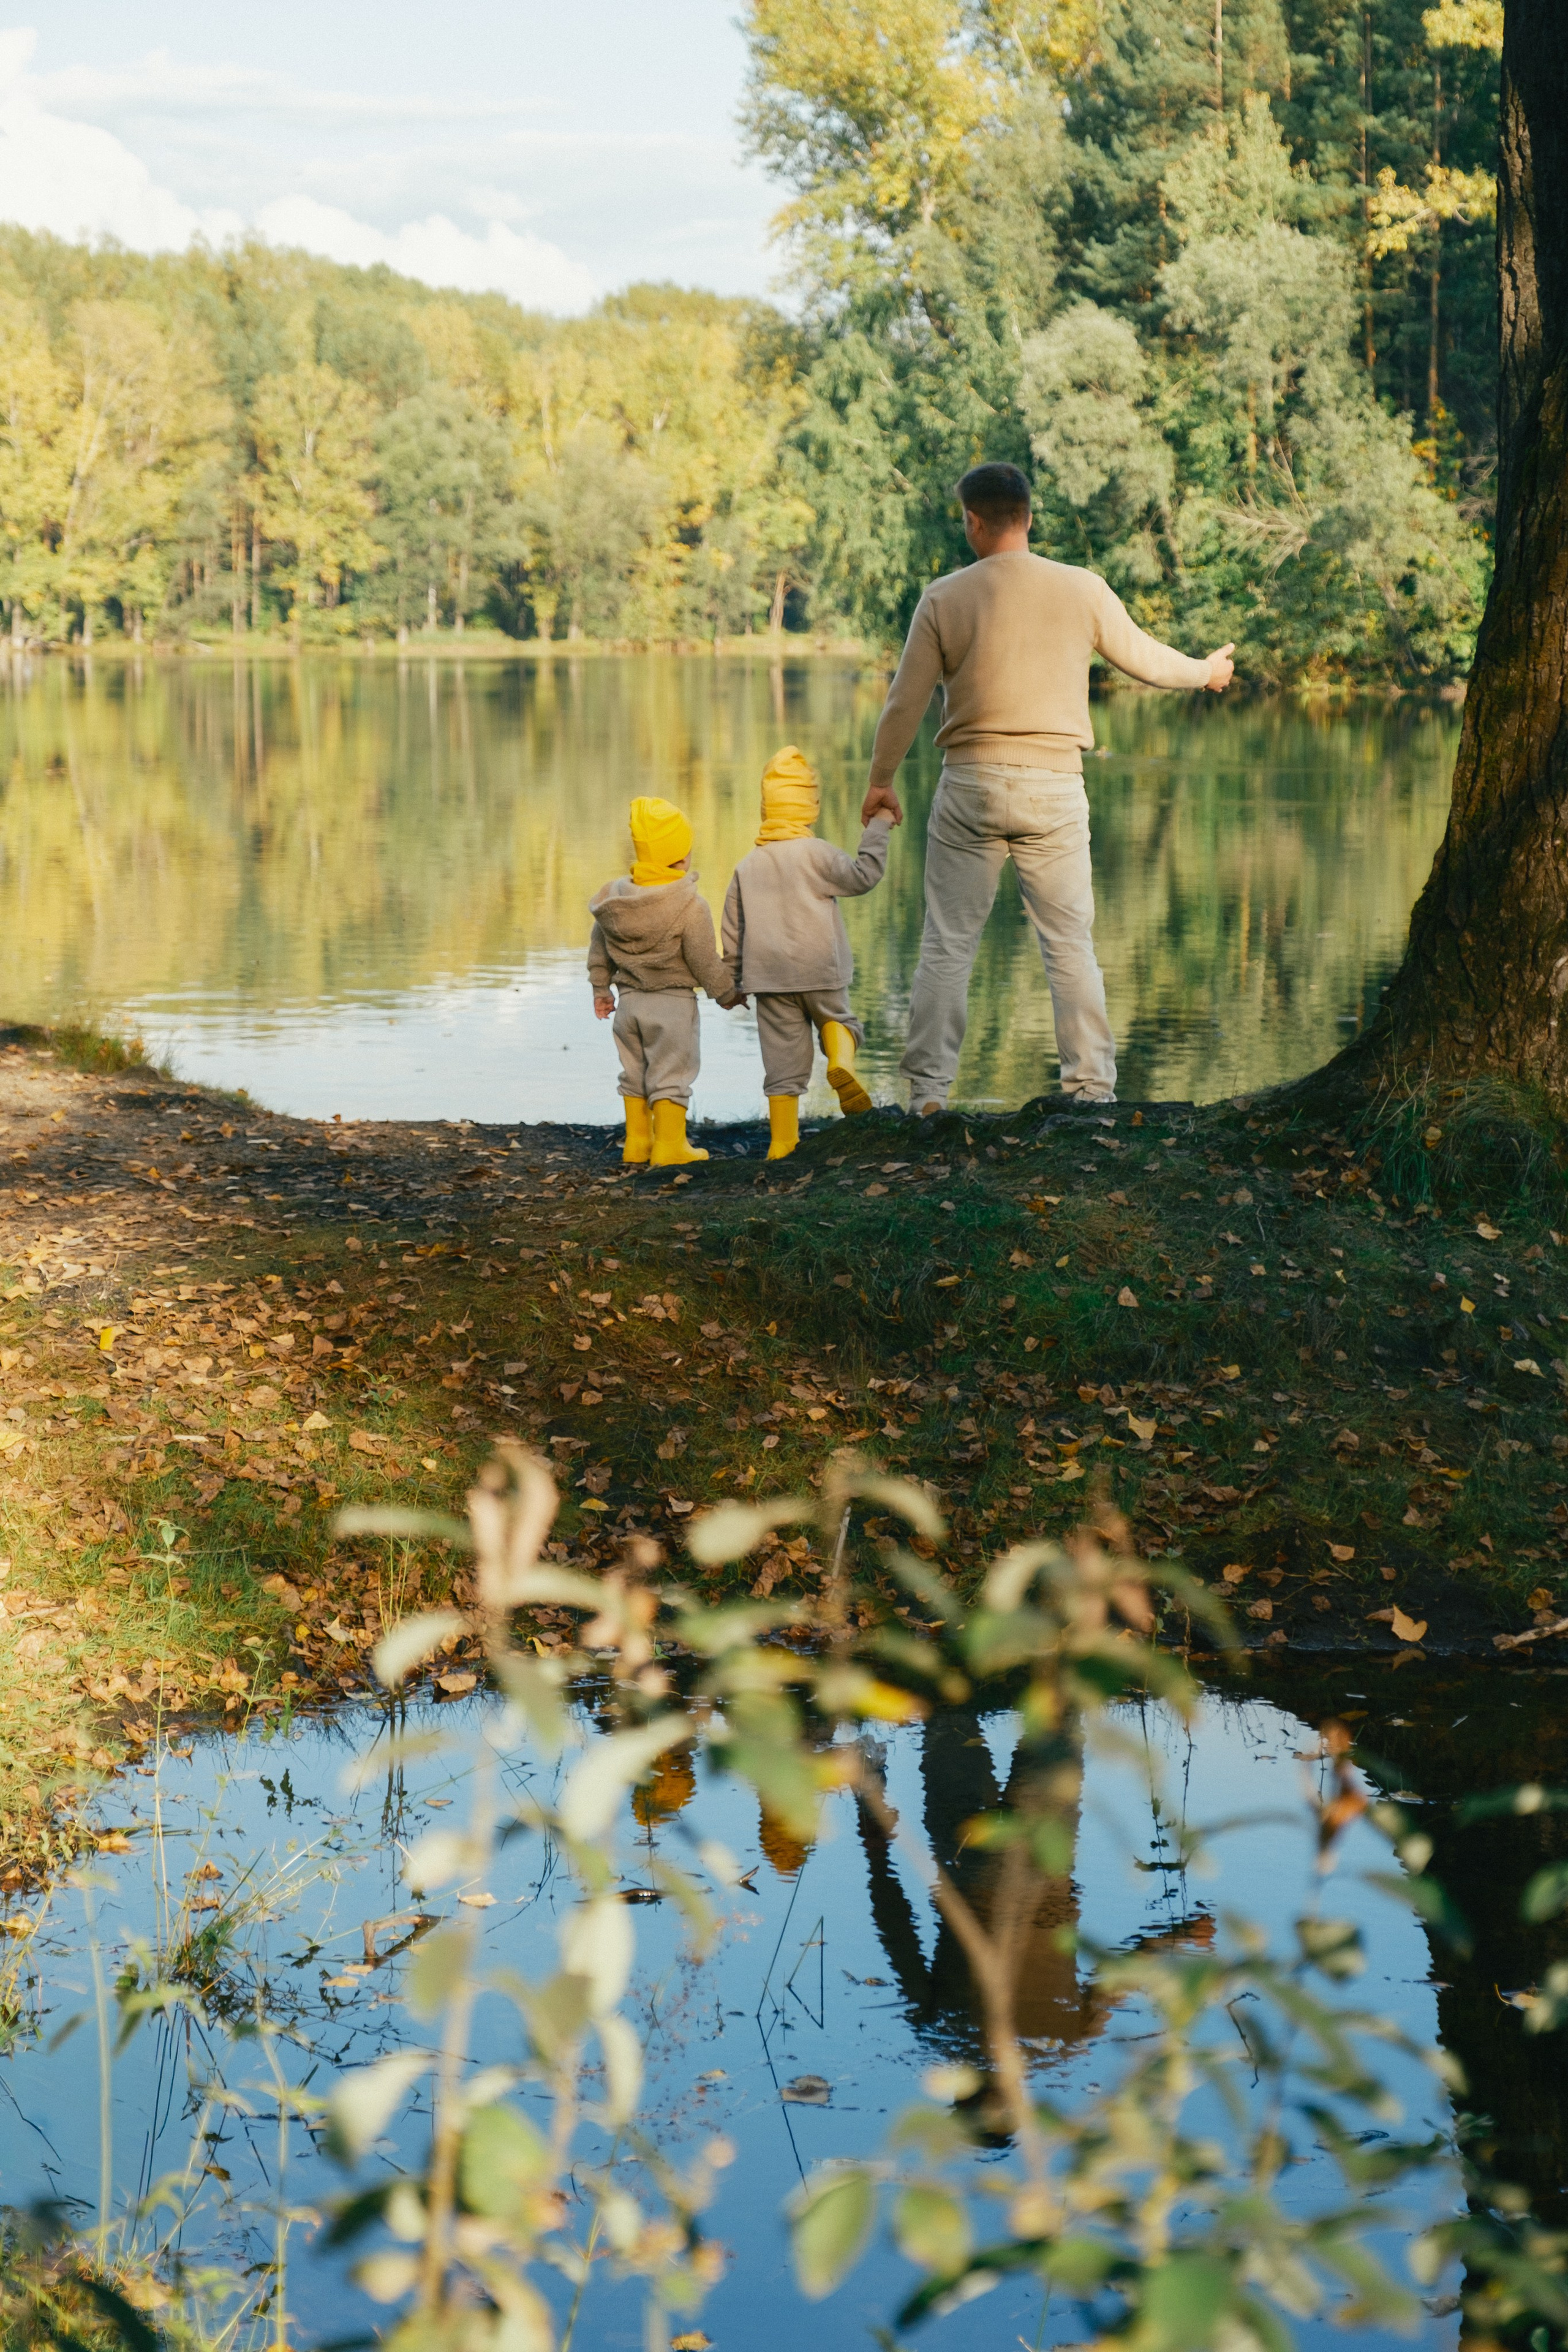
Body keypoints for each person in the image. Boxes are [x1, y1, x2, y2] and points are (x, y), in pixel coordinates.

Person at [862, 461, 1236, 1113]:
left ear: (973, 522)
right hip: (1054, 788)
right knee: (1069, 944)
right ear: (1029, 518)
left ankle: (926, 1096)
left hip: (970, 784)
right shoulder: (1082, 588)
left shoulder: (944, 597)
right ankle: (1091, 1090)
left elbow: (904, 704)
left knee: (948, 942)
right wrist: (1205, 671)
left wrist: (880, 783)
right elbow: (1144, 657)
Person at [722, 744, 891, 1161]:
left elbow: (732, 930)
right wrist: (879, 828)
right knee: (839, 1021)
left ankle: (782, 1143)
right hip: (821, 969)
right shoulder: (817, 854)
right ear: (811, 807)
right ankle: (841, 1060)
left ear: (767, 808)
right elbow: (863, 876)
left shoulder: (748, 865)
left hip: (769, 978)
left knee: (782, 1061)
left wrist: (731, 983)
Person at [587, 794, 737, 1167]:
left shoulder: (616, 902)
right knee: (671, 1074)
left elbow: (598, 947)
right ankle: (670, 1146)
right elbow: (703, 960)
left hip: (630, 1006)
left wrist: (600, 988)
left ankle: (637, 1143)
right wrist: (726, 993)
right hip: (672, 1006)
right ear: (682, 856)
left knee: (635, 1073)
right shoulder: (689, 905)